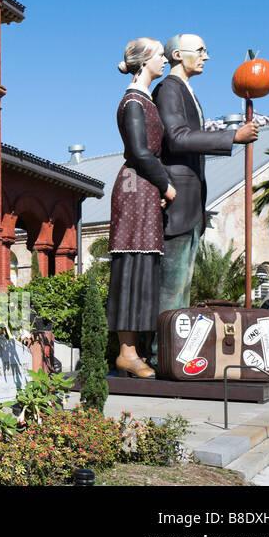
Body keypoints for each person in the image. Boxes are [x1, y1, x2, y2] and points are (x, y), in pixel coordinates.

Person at [153, 34, 259, 314]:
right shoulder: (168, 89)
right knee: (171, 288)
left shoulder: (186, 90)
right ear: (177, 54)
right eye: (200, 50)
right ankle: (161, 352)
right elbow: (176, 138)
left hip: (191, 204)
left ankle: (172, 349)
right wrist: (233, 136)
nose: (206, 56)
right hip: (176, 201)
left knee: (182, 288)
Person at [107, 38, 175, 378]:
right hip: (135, 189)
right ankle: (127, 353)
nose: (164, 60)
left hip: (144, 189)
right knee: (133, 265)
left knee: (144, 264)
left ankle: (135, 351)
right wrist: (166, 184)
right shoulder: (133, 101)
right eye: (161, 55)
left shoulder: (145, 99)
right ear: (146, 59)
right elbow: (139, 151)